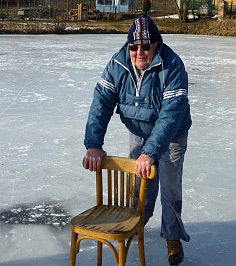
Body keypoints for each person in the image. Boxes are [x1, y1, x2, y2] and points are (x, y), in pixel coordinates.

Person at [83, 14, 191, 266]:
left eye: (146, 46)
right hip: (138, 131)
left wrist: (151, 152)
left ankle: (172, 236)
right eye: (134, 46)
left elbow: (172, 113)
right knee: (139, 184)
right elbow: (101, 102)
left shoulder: (172, 65)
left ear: (157, 44)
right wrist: (94, 145)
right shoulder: (118, 64)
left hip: (172, 135)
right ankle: (137, 224)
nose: (139, 52)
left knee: (170, 186)